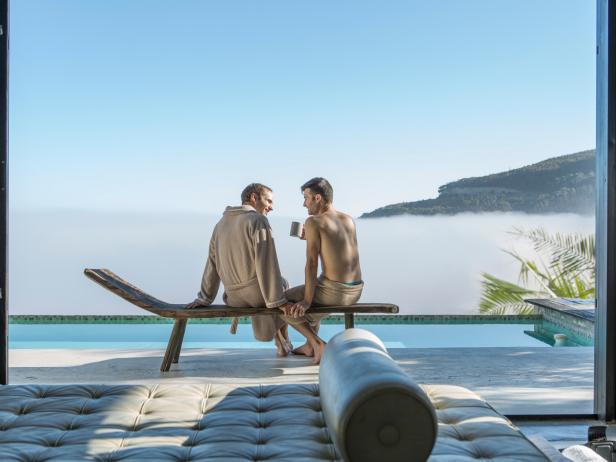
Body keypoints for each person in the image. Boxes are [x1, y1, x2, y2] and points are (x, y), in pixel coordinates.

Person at [186, 183, 292, 356]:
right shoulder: (258, 220)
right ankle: (283, 338)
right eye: (269, 201)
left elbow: (212, 263)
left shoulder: (219, 225)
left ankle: (280, 342)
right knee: (282, 284)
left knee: (272, 288)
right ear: (253, 197)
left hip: (234, 297)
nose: (271, 207)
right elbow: (267, 264)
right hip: (257, 295)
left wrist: (205, 298)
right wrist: (277, 302)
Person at [283, 177, 363, 364]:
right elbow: (337, 247)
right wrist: (311, 238)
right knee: (316, 284)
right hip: (355, 290)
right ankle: (309, 345)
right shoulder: (347, 219)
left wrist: (306, 301)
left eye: (306, 198)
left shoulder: (314, 222)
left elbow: (312, 263)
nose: (304, 203)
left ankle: (317, 343)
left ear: (318, 198)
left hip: (335, 292)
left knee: (280, 302)